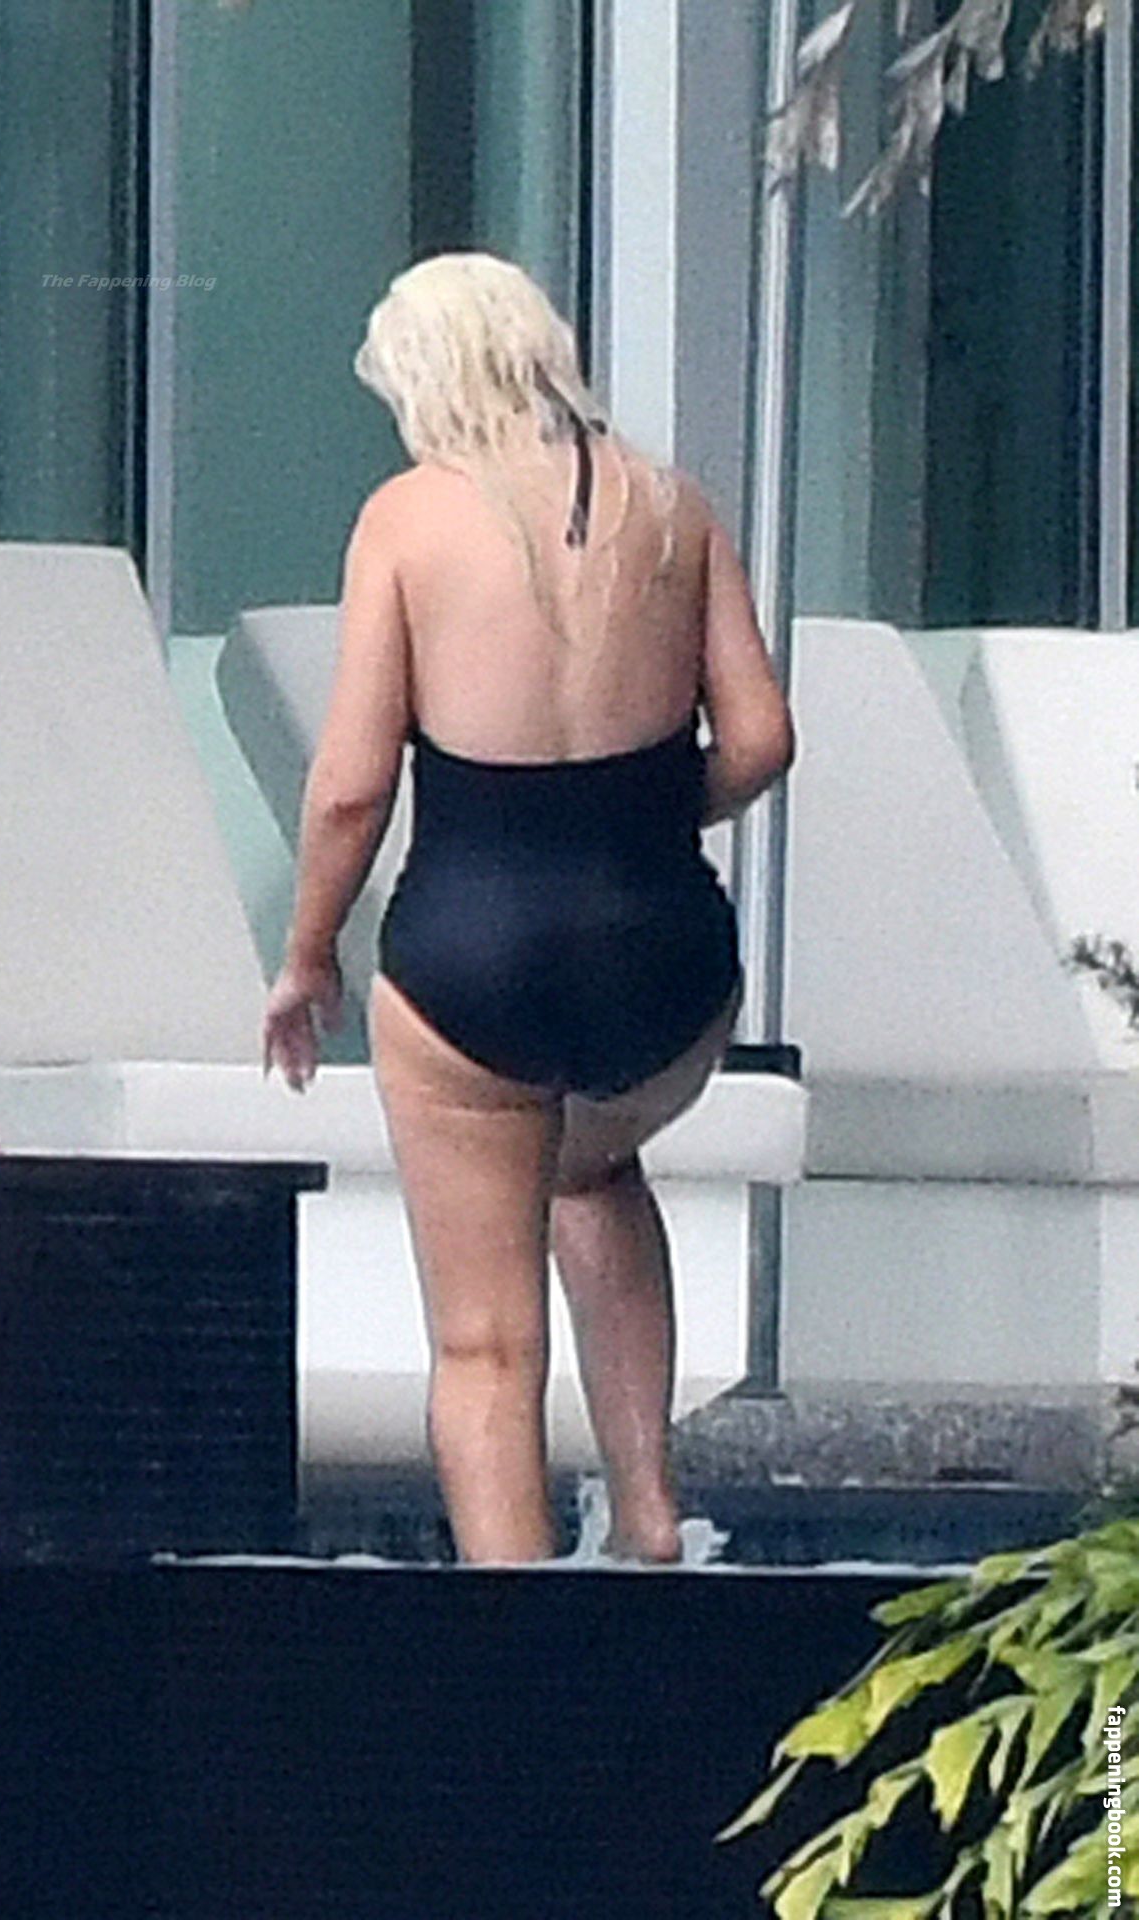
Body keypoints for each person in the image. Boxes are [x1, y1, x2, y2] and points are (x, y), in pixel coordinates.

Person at [262, 252, 794, 1566]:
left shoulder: (408, 520)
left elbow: (350, 789)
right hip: (665, 958)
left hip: (472, 957)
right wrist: (645, 817)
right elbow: (762, 738)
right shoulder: (670, 507)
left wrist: (306, 955)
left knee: (484, 1347)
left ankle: (516, 1630)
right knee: (591, 1164)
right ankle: (651, 1517)